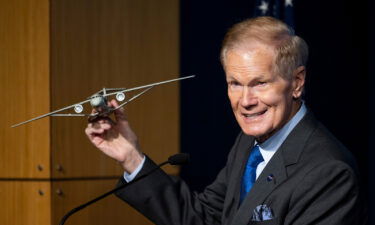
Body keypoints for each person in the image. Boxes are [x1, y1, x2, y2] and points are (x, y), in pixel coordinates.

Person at [85, 16, 365, 225]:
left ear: (296, 82)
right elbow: (202, 218)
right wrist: (132, 158)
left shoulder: (330, 173)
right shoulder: (249, 143)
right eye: (235, 83)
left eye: (260, 83)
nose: (245, 101)